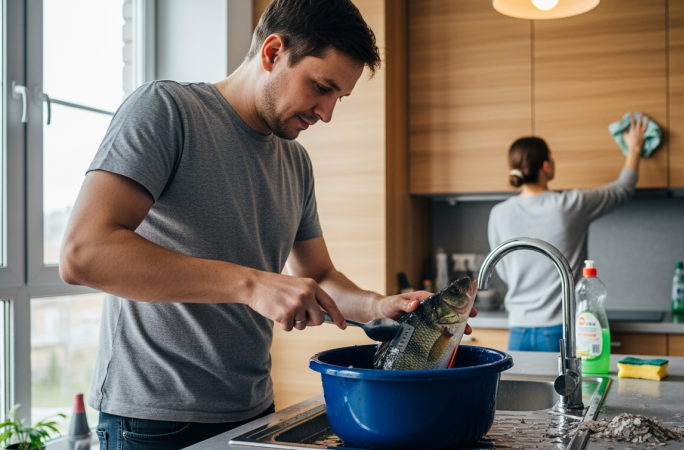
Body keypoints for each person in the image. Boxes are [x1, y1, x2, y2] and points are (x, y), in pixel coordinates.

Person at [59, 1, 473, 448]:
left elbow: (319, 276)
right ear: (273, 52)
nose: (327, 113)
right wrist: (253, 284)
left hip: (253, 410)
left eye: (339, 98)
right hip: (154, 420)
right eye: (321, 87)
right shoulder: (167, 110)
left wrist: (377, 306)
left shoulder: (295, 161)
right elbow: (84, 254)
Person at [487, 113, 649, 352]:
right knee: (562, 390)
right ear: (546, 166)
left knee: (517, 390)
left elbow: (501, 269)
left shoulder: (498, 213)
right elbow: (622, 190)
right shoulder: (570, 205)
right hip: (558, 331)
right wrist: (634, 148)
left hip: (517, 330)